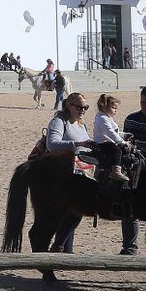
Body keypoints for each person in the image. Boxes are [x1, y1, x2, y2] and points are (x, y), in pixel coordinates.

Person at [44, 93, 91, 251]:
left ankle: (65, 249)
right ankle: (59, 246)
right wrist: (77, 144)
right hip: (61, 173)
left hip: (80, 172)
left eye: (85, 107)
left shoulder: (81, 124)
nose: (82, 110)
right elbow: (52, 144)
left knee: (73, 212)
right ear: (68, 106)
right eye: (79, 107)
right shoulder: (59, 121)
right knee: (73, 211)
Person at [91, 93, 133, 188]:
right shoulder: (102, 118)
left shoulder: (108, 118)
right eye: (114, 108)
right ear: (104, 107)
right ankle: (115, 171)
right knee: (116, 150)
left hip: (108, 140)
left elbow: (115, 131)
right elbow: (110, 132)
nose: (115, 111)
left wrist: (124, 135)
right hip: (102, 142)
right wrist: (122, 142)